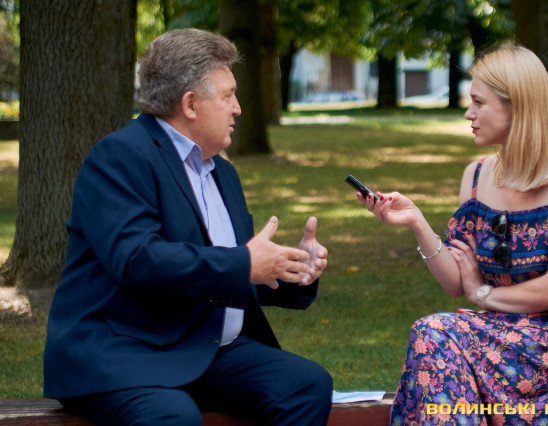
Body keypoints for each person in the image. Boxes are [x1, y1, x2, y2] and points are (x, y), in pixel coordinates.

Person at [43, 28, 332, 426]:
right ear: (190, 104)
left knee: (306, 384)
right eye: (228, 96)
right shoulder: (120, 156)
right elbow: (138, 260)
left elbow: (228, 270)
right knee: (172, 416)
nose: (238, 108)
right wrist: (244, 264)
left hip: (203, 348)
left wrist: (294, 270)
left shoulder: (222, 172)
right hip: (123, 352)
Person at [355, 45, 548, 424]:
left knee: (436, 334)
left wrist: (483, 294)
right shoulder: (477, 176)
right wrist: (416, 222)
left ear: (518, 107)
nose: (468, 113)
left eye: (479, 102)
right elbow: (455, 283)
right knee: (435, 335)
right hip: (495, 333)